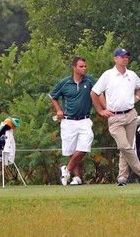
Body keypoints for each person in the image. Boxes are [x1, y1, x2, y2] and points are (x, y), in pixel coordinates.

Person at [91, 48, 140, 186]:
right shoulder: (108, 75)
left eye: (126, 57)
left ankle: (122, 178)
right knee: (124, 146)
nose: (125, 59)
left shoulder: (132, 75)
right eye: (122, 57)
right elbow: (94, 93)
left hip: (130, 114)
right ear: (115, 59)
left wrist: (136, 98)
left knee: (126, 148)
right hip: (115, 117)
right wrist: (101, 110)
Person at [48, 57, 96, 185]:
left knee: (85, 146)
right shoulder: (65, 83)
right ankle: (77, 178)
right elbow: (53, 96)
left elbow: (99, 93)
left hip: (85, 120)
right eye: (81, 66)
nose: (84, 68)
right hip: (68, 121)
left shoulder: (90, 81)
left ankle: (66, 169)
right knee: (71, 151)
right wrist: (58, 110)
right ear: (74, 68)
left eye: (85, 66)